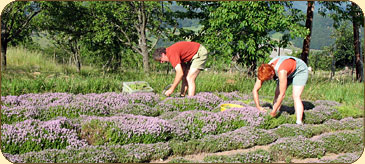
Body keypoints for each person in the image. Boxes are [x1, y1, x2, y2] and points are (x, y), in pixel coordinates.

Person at [252, 56, 308, 125]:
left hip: (299, 70)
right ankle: (275, 114)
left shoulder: (281, 71)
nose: (267, 80)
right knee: (277, 93)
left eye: (268, 79)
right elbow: (255, 90)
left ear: (272, 73)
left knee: (296, 96)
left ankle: (299, 122)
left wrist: (273, 112)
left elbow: (282, 94)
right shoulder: (263, 70)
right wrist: (258, 106)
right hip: (287, 71)